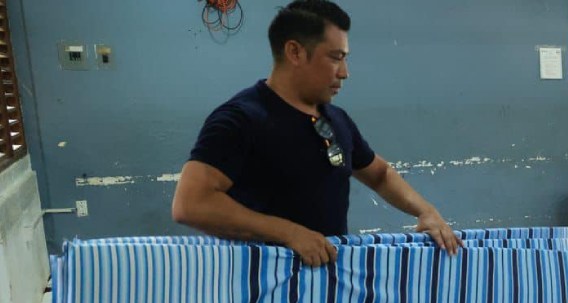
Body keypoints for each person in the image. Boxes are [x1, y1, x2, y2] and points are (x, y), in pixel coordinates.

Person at [172, 0, 459, 265]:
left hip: (324, 294)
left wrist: (426, 211)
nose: (344, 72)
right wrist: (287, 232)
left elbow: (380, 174)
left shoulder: (337, 120)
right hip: (261, 295)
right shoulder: (240, 119)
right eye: (335, 58)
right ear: (295, 52)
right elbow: (191, 203)